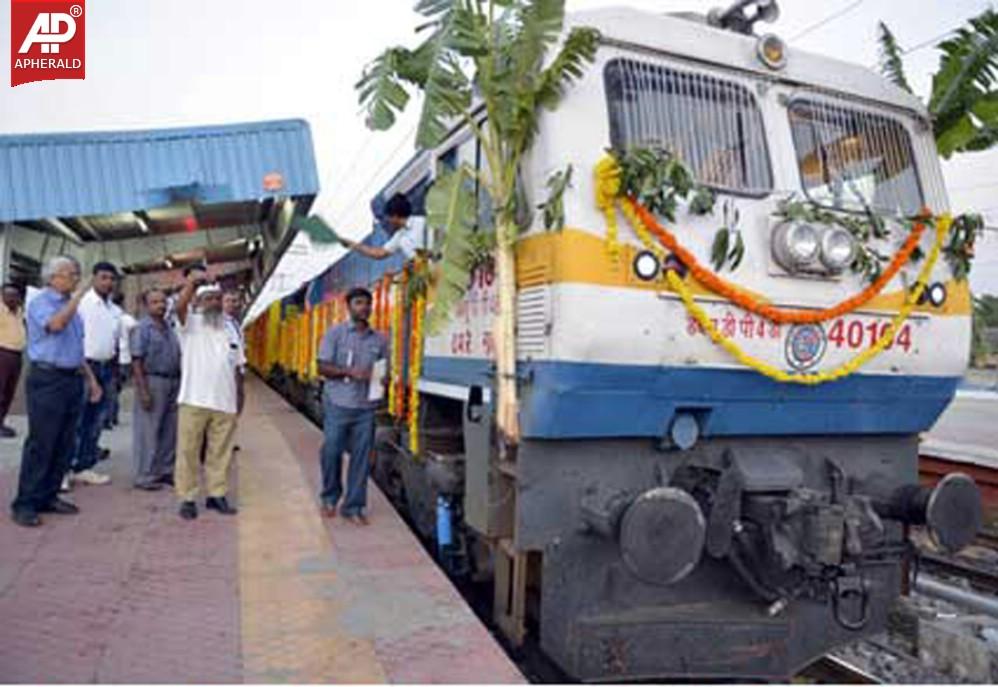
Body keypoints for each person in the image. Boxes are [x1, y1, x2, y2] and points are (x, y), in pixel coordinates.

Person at [10, 256, 102, 527]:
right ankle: (25, 502)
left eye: (76, 274)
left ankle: (48, 495)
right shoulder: (40, 302)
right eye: (72, 274)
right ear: (53, 277)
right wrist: (81, 294)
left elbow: (75, 348)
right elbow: (55, 325)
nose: (76, 278)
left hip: (71, 379)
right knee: (42, 442)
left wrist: (92, 380)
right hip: (47, 379)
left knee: (64, 442)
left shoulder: (70, 307)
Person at [173, 270, 245, 520]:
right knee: (188, 452)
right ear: (199, 303)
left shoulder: (232, 329)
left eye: (217, 298)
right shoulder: (189, 324)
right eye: (208, 299)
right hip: (193, 400)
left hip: (225, 402)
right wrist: (192, 283)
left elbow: (238, 367)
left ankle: (217, 495)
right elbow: (179, 307)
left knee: (220, 453)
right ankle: (187, 498)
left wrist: (238, 400)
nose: (214, 303)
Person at [316, 287, 388, 525]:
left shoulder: (379, 340)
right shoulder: (335, 334)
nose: (364, 308)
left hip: (365, 408)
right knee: (331, 451)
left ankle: (354, 507)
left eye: (367, 303)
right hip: (338, 403)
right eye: (358, 303)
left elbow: (381, 371)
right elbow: (322, 367)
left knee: (361, 458)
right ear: (349, 307)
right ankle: (330, 496)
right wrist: (350, 372)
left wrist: (382, 381)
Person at [67, 262, 120, 486]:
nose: (108, 282)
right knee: (76, 420)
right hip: (84, 367)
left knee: (96, 421)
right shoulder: (82, 304)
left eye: (111, 278)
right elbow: (73, 338)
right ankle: (64, 470)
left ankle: (84, 466)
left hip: (107, 367)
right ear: (94, 278)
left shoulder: (114, 310)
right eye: (103, 277)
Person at [130, 287, 181, 491]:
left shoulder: (169, 327)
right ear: (146, 305)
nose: (161, 305)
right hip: (152, 381)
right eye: (155, 302)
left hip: (173, 382)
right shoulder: (142, 328)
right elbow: (137, 360)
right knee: (148, 430)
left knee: (169, 430)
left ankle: (164, 470)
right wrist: (143, 391)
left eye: (163, 301)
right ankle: (144, 475)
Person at [340, 193, 429, 261]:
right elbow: (379, 253)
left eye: (389, 218)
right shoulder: (400, 235)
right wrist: (352, 244)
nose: (388, 222)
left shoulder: (423, 222)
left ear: (395, 216)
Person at [106, 292, 137, 429]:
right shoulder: (127, 318)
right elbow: (135, 332)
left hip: (114, 356)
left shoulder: (111, 316)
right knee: (115, 388)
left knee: (111, 388)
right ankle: (112, 416)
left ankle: (110, 416)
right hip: (124, 357)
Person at [0, 283, 26, 438]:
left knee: (9, 391)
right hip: (2, 353)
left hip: (16, 356)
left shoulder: (19, 312)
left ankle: (1, 422)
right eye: (8, 295)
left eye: (15, 295)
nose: (12, 298)